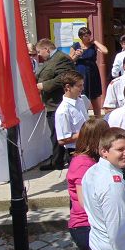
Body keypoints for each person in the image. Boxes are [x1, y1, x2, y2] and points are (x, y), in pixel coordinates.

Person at [66, 117, 109, 250]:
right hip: (84, 226)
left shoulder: (88, 160)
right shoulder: (83, 164)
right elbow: (85, 203)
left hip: (87, 225)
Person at [35, 38, 77, 171]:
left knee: (58, 133)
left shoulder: (62, 58)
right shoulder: (50, 60)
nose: (39, 55)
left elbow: (63, 78)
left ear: (46, 49)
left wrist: (43, 85)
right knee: (55, 133)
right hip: (51, 103)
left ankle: (57, 161)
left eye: (39, 52)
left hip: (57, 102)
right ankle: (57, 159)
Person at [54, 70, 91, 162]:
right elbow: (62, 140)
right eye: (79, 86)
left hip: (89, 148)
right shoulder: (63, 111)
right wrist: (86, 132)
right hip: (76, 152)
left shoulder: (81, 100)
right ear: (68, 87)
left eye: (82, 85)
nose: (82, 88)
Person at [70, 27, 108, 117]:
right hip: (80, 72)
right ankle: (83, 118)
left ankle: (98, 118)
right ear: (81, 37)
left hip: (92, 73)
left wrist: (95, 41)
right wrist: (76, 55)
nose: (88, 37)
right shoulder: (76, 46)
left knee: (94, 97)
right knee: (82, 97)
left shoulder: (93, 45)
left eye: (89, 35)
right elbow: (70, 60)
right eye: (86, 36)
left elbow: (105, 51)